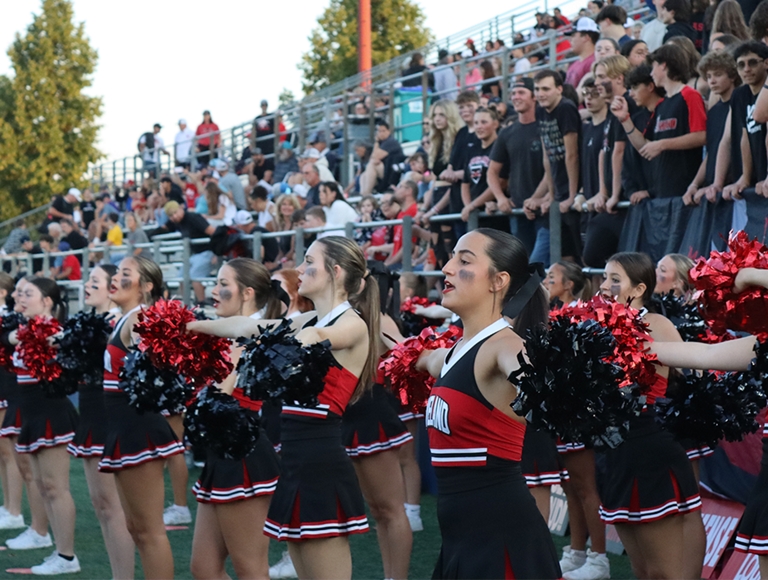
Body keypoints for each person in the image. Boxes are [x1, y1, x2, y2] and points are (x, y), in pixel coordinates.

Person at [189, 236, 379, 579]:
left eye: (309, 262)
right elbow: (248, 327)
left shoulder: (352, 323)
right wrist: (190, 327)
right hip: (293, 461)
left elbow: (323, 337)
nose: (300, 269)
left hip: (321, 462)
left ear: (334, 272)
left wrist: (302, 339)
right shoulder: (305, 320)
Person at [415, 228, 561, 579]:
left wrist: (537, 382)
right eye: (450, 258)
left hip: (502, 538)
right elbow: (423, 358)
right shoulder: (453, 353)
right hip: (458, 539)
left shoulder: (504, 346)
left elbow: (524, 369)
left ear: (499, 281)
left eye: (464, 260)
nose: (447, 268)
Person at [597, 252, 705, 580]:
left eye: (616, 280)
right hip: (612, 447)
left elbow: (696, 370)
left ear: (639, 288)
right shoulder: (596, 324)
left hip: (649, 443)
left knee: (663, 571)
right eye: (605, 277)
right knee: (642, 569)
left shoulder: (656, 324)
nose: (605, 286)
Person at [189, 259, 283, 579]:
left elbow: (220, 399)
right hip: (221, 454)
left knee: (250, 568)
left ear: (247, 293)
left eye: (223, 284)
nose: (214, 291)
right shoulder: (226, 335)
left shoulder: (251, 336)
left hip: (244, 455)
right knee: (203, 568)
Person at [99, 256, 184, 579]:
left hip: (139, 429)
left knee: (149, 531)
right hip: (124, 428)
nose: (116, 278)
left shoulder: (140, 319)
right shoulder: (124, 319)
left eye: (125, 273)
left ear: (146, 286)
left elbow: (163, 357)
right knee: (136, 528)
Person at [67, 264, 134, 579]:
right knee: (101, 506)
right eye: (87, 279)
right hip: (90, 413)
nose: (86, 285)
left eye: (94, 280)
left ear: (111, 287)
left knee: (113, 508)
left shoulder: (116, 324)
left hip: (109, 416)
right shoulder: (88, 322)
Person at [11, 277, 80, 574]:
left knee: (55, 487)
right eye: (19, 293)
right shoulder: (25, 330)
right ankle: (56, 549)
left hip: (51, 413)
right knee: (42, 486)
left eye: (29, 294)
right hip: (31, 413)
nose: (21, 297)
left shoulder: (56, 333)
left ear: (47, 301)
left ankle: (67, 557)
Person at [611, 44, 707, 200]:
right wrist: (625, 119)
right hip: (663, 192)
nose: (651, 73)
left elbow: (702, 136)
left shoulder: (690, 95)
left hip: (684, 192)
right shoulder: (662, 105)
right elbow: (645, 146)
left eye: (653, 67)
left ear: (664, 66)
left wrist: (662, 144)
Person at [488, 78, 547, 259]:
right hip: (518, 212)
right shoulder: (507, 132)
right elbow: (492, 172)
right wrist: (500, 198)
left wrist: (538, 197)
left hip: (545, 210)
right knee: (524, 268)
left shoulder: (545, 126)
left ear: (534, 96)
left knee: (539, 266)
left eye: (521, 92)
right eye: (513, 93)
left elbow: (553, 169)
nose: (516, 97)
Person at [534, 69, 582, 264]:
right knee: (563, 256)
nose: (540, 93)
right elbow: (547, 156)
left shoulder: (566, 108)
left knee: (581, 255)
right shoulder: (540, 111)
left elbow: (572, 155)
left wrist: (571, 195)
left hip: (576, 191)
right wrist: (552, 196)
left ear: (559, 89)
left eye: (546, 88)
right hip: (559, 192)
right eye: (537, 89)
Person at [685, 50, 739, 205]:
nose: (712, 81)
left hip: (733, 188)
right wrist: (695, 184)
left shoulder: (739, 104)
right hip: (713, 190)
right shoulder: (713, 112)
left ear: (732, 75)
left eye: (718, 74)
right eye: (708, 77)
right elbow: (711, 152)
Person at [723, 41, 768, 200]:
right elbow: (745, 136)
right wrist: (745, 177)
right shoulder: (739, 95)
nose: (747, 69)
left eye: (753, 63)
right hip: (759, 175)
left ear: (766, 63)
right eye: (741, 65)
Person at [151, 201, 216, 305]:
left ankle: (202, 302)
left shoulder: (194, 218)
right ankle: (186, 304)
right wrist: (149, 235)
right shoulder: (176, 222)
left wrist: (216, 253)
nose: (174, 217)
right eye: (171, 215)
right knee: (181, 276)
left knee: (195, 276)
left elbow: (214, 232)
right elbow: (163, 229)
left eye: (175, 213)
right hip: (195, 254)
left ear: (181, 209)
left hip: (207, 251)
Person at [0, 273, 23, 531]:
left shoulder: (8, 319)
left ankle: (14, 510)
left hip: (6, 386)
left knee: (8, 450)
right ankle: (7, 506)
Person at [359, 120, 405, 195]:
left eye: (383, 131)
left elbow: (375, 157)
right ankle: (363, 193)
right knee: (364, 174)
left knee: (372, 165)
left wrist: (376, 142)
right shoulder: (381, 143)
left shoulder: (391, 142)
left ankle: (366, 194)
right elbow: (373, 158)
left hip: (393, 172)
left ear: (388, 131)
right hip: (385, 170)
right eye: (379, 131)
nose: (381, 133)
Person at [566, 17, 599, 87]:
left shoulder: (593, 62)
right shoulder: (575, 63)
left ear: (586, 37)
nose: (570, 40)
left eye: (573, 36)